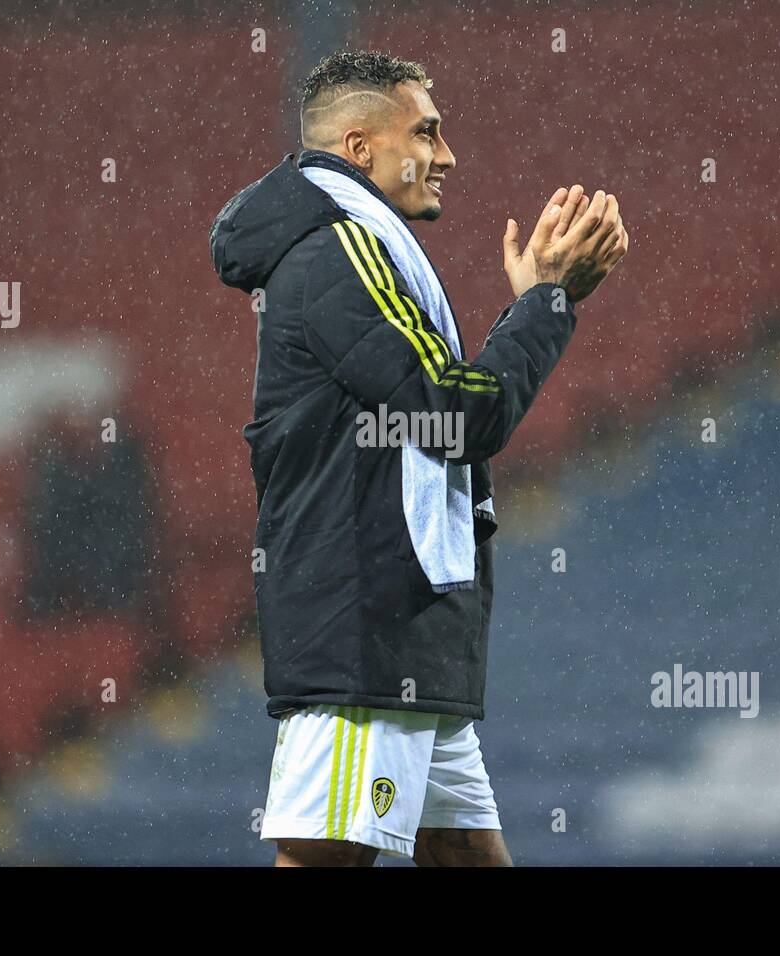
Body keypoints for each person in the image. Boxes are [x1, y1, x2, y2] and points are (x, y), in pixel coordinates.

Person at [210, 50, 627, 866]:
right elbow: (456, 414)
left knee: (466, 853)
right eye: (427, 132)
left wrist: (538, 304)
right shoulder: (336, 252)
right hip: (364, 623)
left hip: (401, 631)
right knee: (326, 859)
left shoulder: (357, 244)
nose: (448, 156)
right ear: (360, 147)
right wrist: (547, 302)